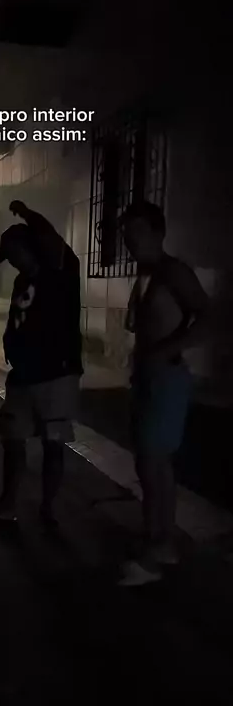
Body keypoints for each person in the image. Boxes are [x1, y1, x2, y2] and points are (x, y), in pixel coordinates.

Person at [118, 201, 209, 586]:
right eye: (127, 234)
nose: (130, 240)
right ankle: (156, 536)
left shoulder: (174, 271)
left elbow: (208, 316)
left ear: (158, 233)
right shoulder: (147, 274)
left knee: (156, 464)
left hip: (167, 378)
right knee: (147, 463)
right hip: (147, 377)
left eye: (138, 232)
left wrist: (168, 349)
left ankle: (160, 547)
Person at [0, 200, 83, 529]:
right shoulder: (21, 281)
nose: (12, 260)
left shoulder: (60, 270)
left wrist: (27, 213)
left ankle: (48, 509)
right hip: (23, 376)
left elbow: (49, 235)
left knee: (52, 443)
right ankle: (7, 505)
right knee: (12, 438)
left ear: (30, 246)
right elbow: (19, 317)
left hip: (56, 375)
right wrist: (9, 342)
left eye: (15, 252)